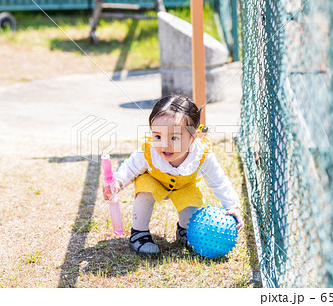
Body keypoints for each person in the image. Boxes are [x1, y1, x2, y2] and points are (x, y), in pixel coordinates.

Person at [103, 95, 244, 256]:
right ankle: (139, 233)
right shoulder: (149, 151)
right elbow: (130, 167)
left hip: (184, 186)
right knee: (145, 194)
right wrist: (118, 182)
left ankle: (185, 231)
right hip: (154, 180)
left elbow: (219, 182)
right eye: (158, 136)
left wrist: (232, 205)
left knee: (190, 208)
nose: (165, 144)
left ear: (194, 136)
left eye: (174, 138)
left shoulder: (201, 154)